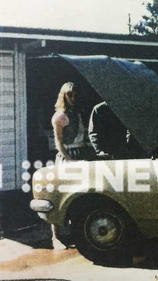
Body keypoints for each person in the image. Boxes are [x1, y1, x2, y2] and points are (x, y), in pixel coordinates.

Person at [51, 82, 86, 250]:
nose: (73, 98)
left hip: (80, 154)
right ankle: (55, 237)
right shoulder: (59, 116)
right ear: (63, 96)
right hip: (67, 157)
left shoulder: (78, 114)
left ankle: (77, 233)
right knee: (59, 196)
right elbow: (59, 143)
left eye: (75, 95)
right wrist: (70, 160)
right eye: (69, 95)